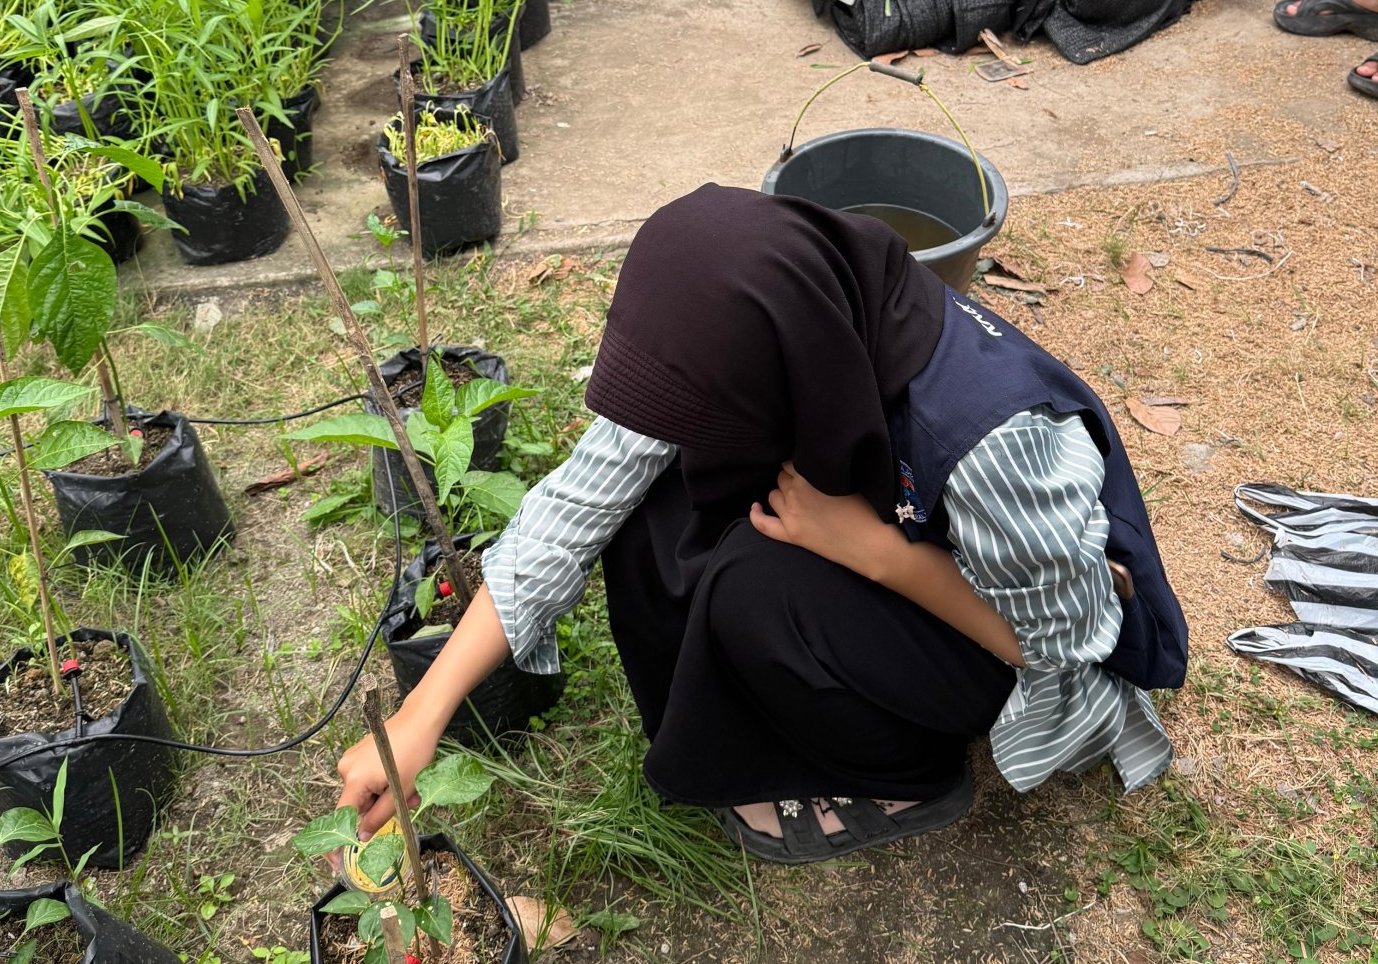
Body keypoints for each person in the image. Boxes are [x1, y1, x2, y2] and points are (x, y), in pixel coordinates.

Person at [335, 188, 1187, 867]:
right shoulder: (781, 322)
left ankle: (909, 775)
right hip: (894, 545)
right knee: (652, 512)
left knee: (757, 582)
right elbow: (574, 507)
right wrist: (422, 715)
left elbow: (1068, 639)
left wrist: (878, 553)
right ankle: (766, 709)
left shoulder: (994, 444)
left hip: (1007, 634)